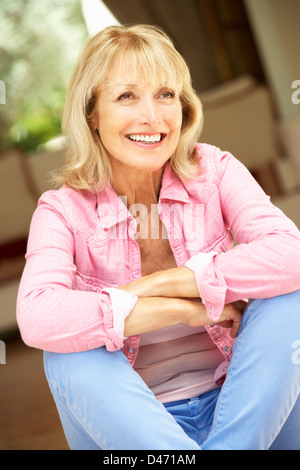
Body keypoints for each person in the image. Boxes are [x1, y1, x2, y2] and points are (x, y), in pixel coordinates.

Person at [17, 24, 300, 450]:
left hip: (249, 412)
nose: (152, 116)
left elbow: (290, 254)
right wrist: (181, 311)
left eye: (166, 94)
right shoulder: (62, 210)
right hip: (139, 438)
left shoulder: (214, 170)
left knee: (291, 299)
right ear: (92, 114)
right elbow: (37, 316)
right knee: (67, 354)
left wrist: (160, 284)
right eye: (126, 96)